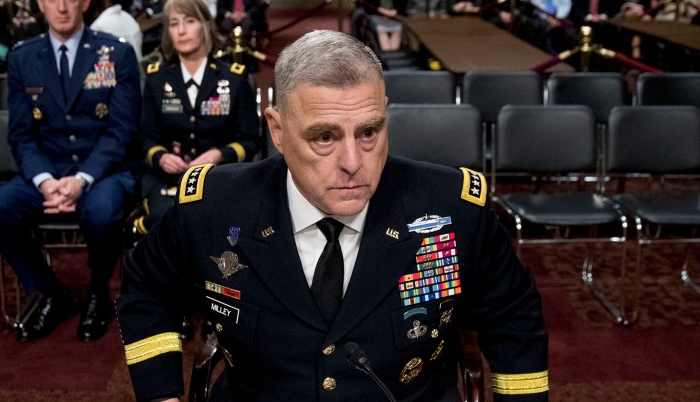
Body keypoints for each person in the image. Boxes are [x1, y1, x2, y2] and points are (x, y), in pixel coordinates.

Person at [116, 29, 549, 402]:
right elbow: (146, 289)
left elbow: (514, 314)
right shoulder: (213, 207)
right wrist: (161, 393)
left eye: (368, 132)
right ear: (278, 130)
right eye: (324, 137)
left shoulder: (452, 209)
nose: (352, 162)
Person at [0, 0, 141, 343]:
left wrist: (81, 180)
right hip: (46, 171)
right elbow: (20, 135)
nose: (62, 7)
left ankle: (99, 292)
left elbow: (121, 132)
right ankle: (52, 291)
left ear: (85, 1)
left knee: (102, 212)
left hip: (102, 170)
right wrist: (47, 181)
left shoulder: (114, 53)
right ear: (40, 3)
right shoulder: (22, 58)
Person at [134, 0, 259, 234]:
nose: (181, 30)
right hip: (167, 180)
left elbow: (250, 140)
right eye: (173, 23)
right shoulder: (156, 78)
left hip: (220, 177)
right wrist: (160, 157)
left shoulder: (233, 78)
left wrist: (218, 154)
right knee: (164, 220)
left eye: (189, 21)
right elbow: (145, 138)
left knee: (217, 221)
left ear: (206, 25)